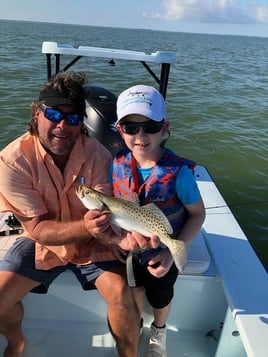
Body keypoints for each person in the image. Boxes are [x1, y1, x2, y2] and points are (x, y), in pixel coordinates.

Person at [0, 72, 154, 357]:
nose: (62, 125)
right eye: (54, 114)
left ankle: (128, 354)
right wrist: (88, 227)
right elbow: (37, 229)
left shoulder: (98, 154)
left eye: (72, 119)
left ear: (82, 121)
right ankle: (16, 342)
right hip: (39, 241)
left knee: (123, 297)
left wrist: (122, 238)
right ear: (37, 113)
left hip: (95, 241)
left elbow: (107, 209)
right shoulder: (12, 161)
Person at [112, 84, 206, 357]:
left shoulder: (180, 173)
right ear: (120, 131)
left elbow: (198, 214)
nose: (140, 135)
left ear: (165, 128)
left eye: (150, 127)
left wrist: (169, 252)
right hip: (132, 249)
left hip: (164, 247)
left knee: (161, 294)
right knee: (136, 287)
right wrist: (118, 239)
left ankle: (160, 329)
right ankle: (138, 323)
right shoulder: (115, 163)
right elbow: (117, 209)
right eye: (131, 128)